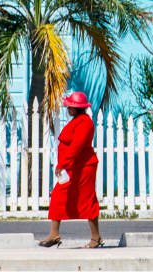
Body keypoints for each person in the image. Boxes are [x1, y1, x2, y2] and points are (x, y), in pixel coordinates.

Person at [39, 91, 103, 248]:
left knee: (87, 200)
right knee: (58, 196)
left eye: (70, 106)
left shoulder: (85, 123)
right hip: (73, 167)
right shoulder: (78, 120)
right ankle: (54, 234)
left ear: (76, 108)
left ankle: (96, 238)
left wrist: (63, 164)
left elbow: (76, 147)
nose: (67, 108)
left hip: (83, 168)